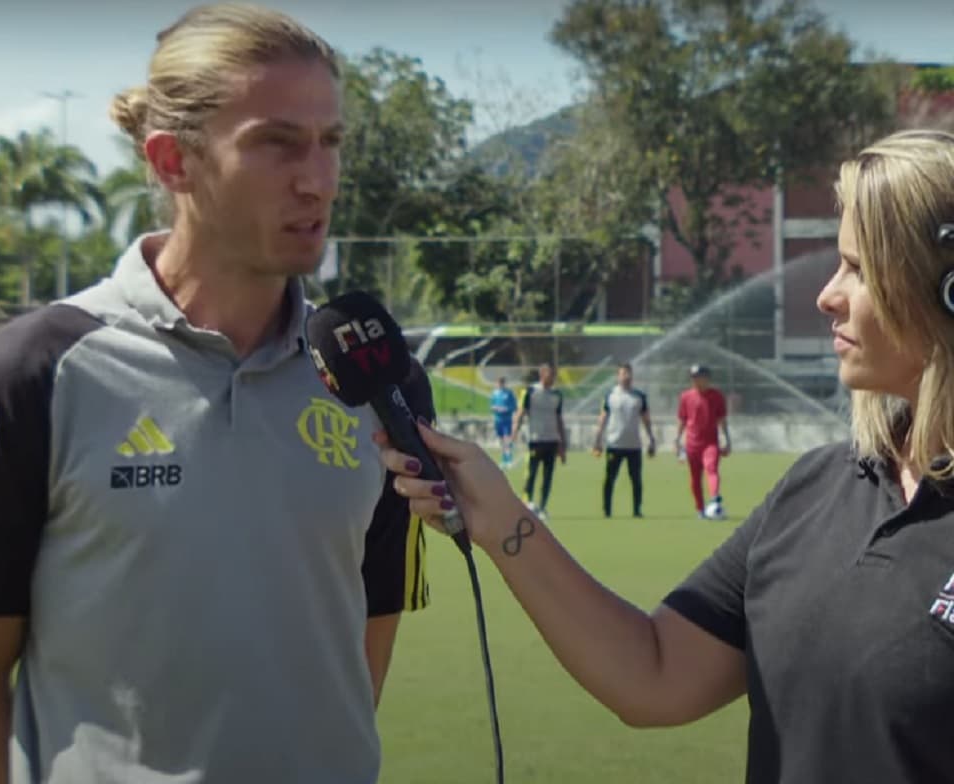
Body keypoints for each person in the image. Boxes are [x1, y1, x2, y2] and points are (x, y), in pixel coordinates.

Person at [0, 6, 434, 783]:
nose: (317, 179)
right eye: (276, 143)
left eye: (330, 143)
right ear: (171, 162)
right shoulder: (27, 377)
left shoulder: (380, 377)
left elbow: (366, 646)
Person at [376, 128, 954, 783]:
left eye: (858, 268)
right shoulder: (814, 488)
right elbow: (654, 673)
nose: (828, 294)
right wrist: (499, 517)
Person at [591, 362, 656, 518]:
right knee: (610, 478)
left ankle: (637, 510)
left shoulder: (639, 396)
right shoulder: (610, 395)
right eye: (623, 374)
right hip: (614, 444)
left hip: (634, 445)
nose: (626, 377)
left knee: (636, 479)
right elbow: (603, 418)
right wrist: (598, 440)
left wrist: (651, 439)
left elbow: (646, 419)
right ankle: (607, 510)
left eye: (628, 373)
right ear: (617, 376)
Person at [674, 364, 730, 519]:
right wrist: (677, 439)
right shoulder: (686, 396)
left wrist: (727, 439)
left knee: (711, 468)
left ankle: (714, 497)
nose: (697, 381)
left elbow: (722, 419)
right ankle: (700, 509)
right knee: (695, 477)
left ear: (707, 378)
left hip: (710, 442)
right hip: (692, 443)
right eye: (694, 378)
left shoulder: (717, 396)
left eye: (699, 377)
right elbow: (682, 419)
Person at [512, 362, 566, 519]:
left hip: (552, 440)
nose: (553, 377)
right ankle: (527, 503)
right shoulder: (531, 392)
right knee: (531, 473)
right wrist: (514, 432)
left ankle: (543, 506)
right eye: (550, 373)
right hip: (536, 439)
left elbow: (559, 419)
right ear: (542, 374)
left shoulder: (557, 395)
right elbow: (521, 412)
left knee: (548, 476)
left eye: (554, 374)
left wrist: (562, 444)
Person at [489, 375, 518, 467]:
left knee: (506, 439)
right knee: (501, 440)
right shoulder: (494, 393)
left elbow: (514, 406)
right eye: (498, 382)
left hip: (507, 420)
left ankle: (509, 459)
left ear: (504, 383)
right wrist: (495, 408)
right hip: (498, 420)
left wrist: (506, 409)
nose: (500, 384)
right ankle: (504, 459)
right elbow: (491, 405)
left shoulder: (509, 393)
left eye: (501, 382)